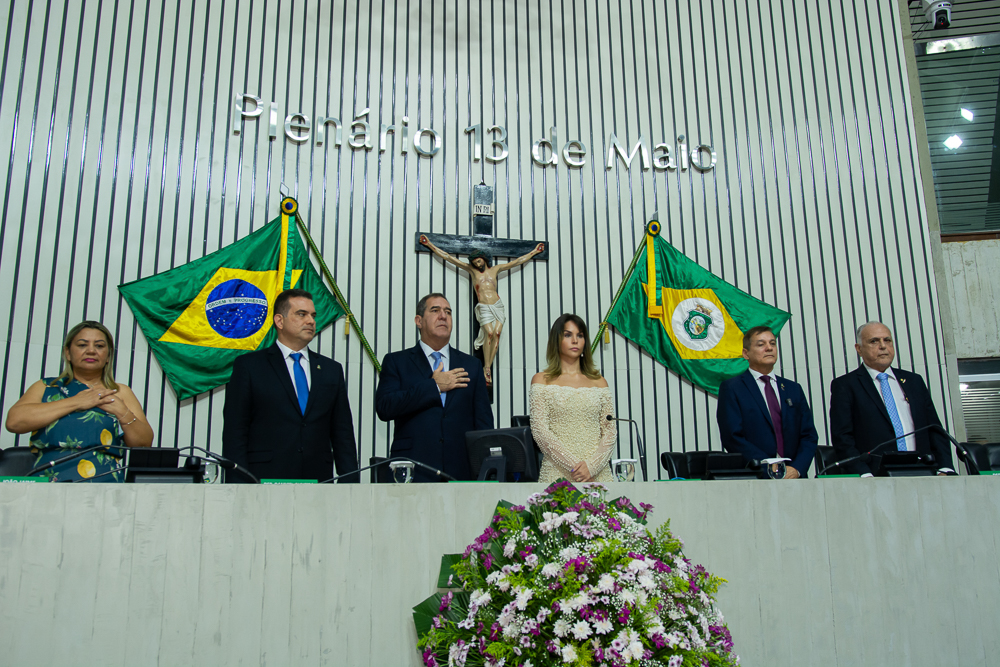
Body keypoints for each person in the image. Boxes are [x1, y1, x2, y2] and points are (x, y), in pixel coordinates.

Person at [222, 289, 359, 483]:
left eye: (313, 315)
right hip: (263, 480)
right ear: (279, 321)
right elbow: (235, 433)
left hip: (318, 480)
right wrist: (239, 486)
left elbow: (343, 434)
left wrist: (350, 485)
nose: (311, 321)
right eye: (301, 314)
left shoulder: (331, 370)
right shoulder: (250, 366)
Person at [5, 321, 154, 482]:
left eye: (99, 346)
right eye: (82, 345)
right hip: (48, 482)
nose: (91, 351)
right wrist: (77, 401)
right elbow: (14, 422)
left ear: (108, 356)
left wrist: (122, 412)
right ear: (67, 353)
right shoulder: (46, 387)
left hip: (105, 483)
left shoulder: (119, 392)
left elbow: (144, 444)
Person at [375, 293, 494, 481]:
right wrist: (434, 386)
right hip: (413, 468)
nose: (443, 316)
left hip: (462, 471)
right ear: (418, 321)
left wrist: (486, 469)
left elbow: (484, 424)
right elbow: (385, 407)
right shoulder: (397, 362)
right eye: (435, 310)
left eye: (448, 312)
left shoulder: (471, 365)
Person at [829, 321, 954, 476]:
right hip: (875, 476)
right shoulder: (846, 385)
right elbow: (843, 438)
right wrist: (863, 473)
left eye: (887, 340)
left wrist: (945, 467)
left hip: (922, 471)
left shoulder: (914, 381)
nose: (883, 346)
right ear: (859, 349)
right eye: (874, 341)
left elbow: (934, 428)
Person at [419, 235, 544, 385]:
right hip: (484, 307)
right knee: (489, 333)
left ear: (484, 259)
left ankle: (488, 367)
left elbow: (516, 262)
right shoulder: (472, 271)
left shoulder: (495, 270)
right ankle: (487, 367)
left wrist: (535, 251)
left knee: (496, 334)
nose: (477, 264)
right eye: (475, 262)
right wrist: (430, 245)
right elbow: (449, 258)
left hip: (497, 305)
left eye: (479, 260)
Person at [716, 326, 819, 479]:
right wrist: (768, 466)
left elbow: (809, 435)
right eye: (761, 344)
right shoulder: (732, 388)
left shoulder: (793, 388)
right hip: (756, 476)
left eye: (772, 343)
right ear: (746, 353)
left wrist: (797, 468)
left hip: (794, 477)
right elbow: (732, 437)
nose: (769, 348)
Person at [529, 314, 616, 483]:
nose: (575, 340)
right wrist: (575, 467)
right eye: (568, 335)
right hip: (557, 472)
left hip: (596, 474)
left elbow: (610, 432)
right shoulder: (541, 380)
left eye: (580, 335)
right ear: (556, 340)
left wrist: (592, 467)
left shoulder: (599, 381)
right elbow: (540, 431)